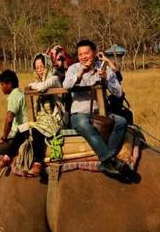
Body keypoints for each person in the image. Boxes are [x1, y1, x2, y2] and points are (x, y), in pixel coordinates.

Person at [63, 39, 130, 178]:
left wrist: (106, 80)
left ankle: (108, 158)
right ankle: (109, 159)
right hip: (79, 113)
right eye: (80, 54)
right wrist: (80, 73)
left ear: (94, 53)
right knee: (83, 124)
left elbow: (118, 92)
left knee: (121, 122)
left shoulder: (104, 67)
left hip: (100, 113)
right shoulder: (74, 68)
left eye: (86, 53)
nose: (83, 57)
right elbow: (66, 86)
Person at [24, 53, 63, 176]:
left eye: (42, 67)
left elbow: (41, 87)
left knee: (36, 129)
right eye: (37, 68)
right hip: (42, 117)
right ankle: (8, 156)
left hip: (55, 117)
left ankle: (38, 162)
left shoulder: (54, 79)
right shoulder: (37, 81)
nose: (40, 70)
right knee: (22, 130)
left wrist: (31, 85)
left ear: (48, 66)